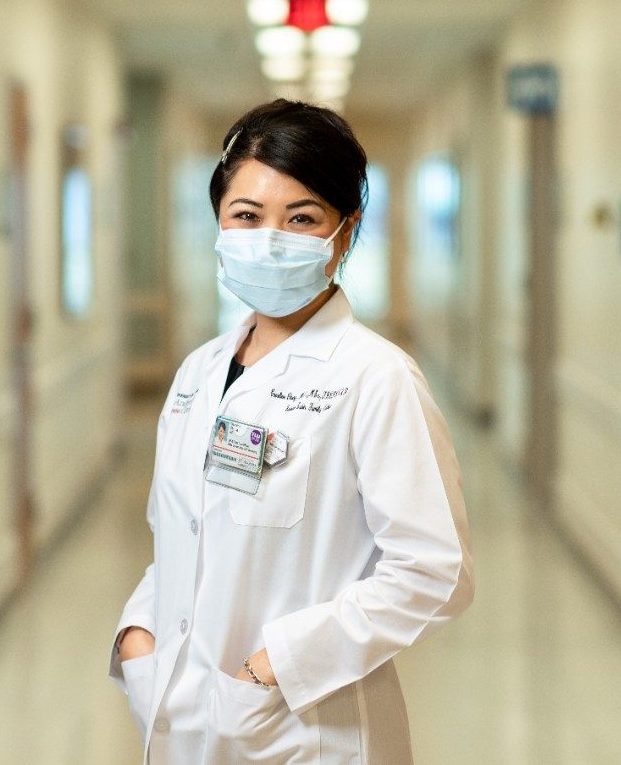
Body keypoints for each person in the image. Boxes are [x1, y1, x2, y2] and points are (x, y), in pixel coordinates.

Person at [108, 99, 474, 764]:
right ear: (219, 224)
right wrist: (138, 635)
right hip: (185, 717)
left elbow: (435, 572)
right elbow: (181, 538)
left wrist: (276, 665)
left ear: (346, 231)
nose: (269, 236)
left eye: (301, 218)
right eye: (247, 216)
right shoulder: (198, 373)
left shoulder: (377, 378)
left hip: (308, 734)